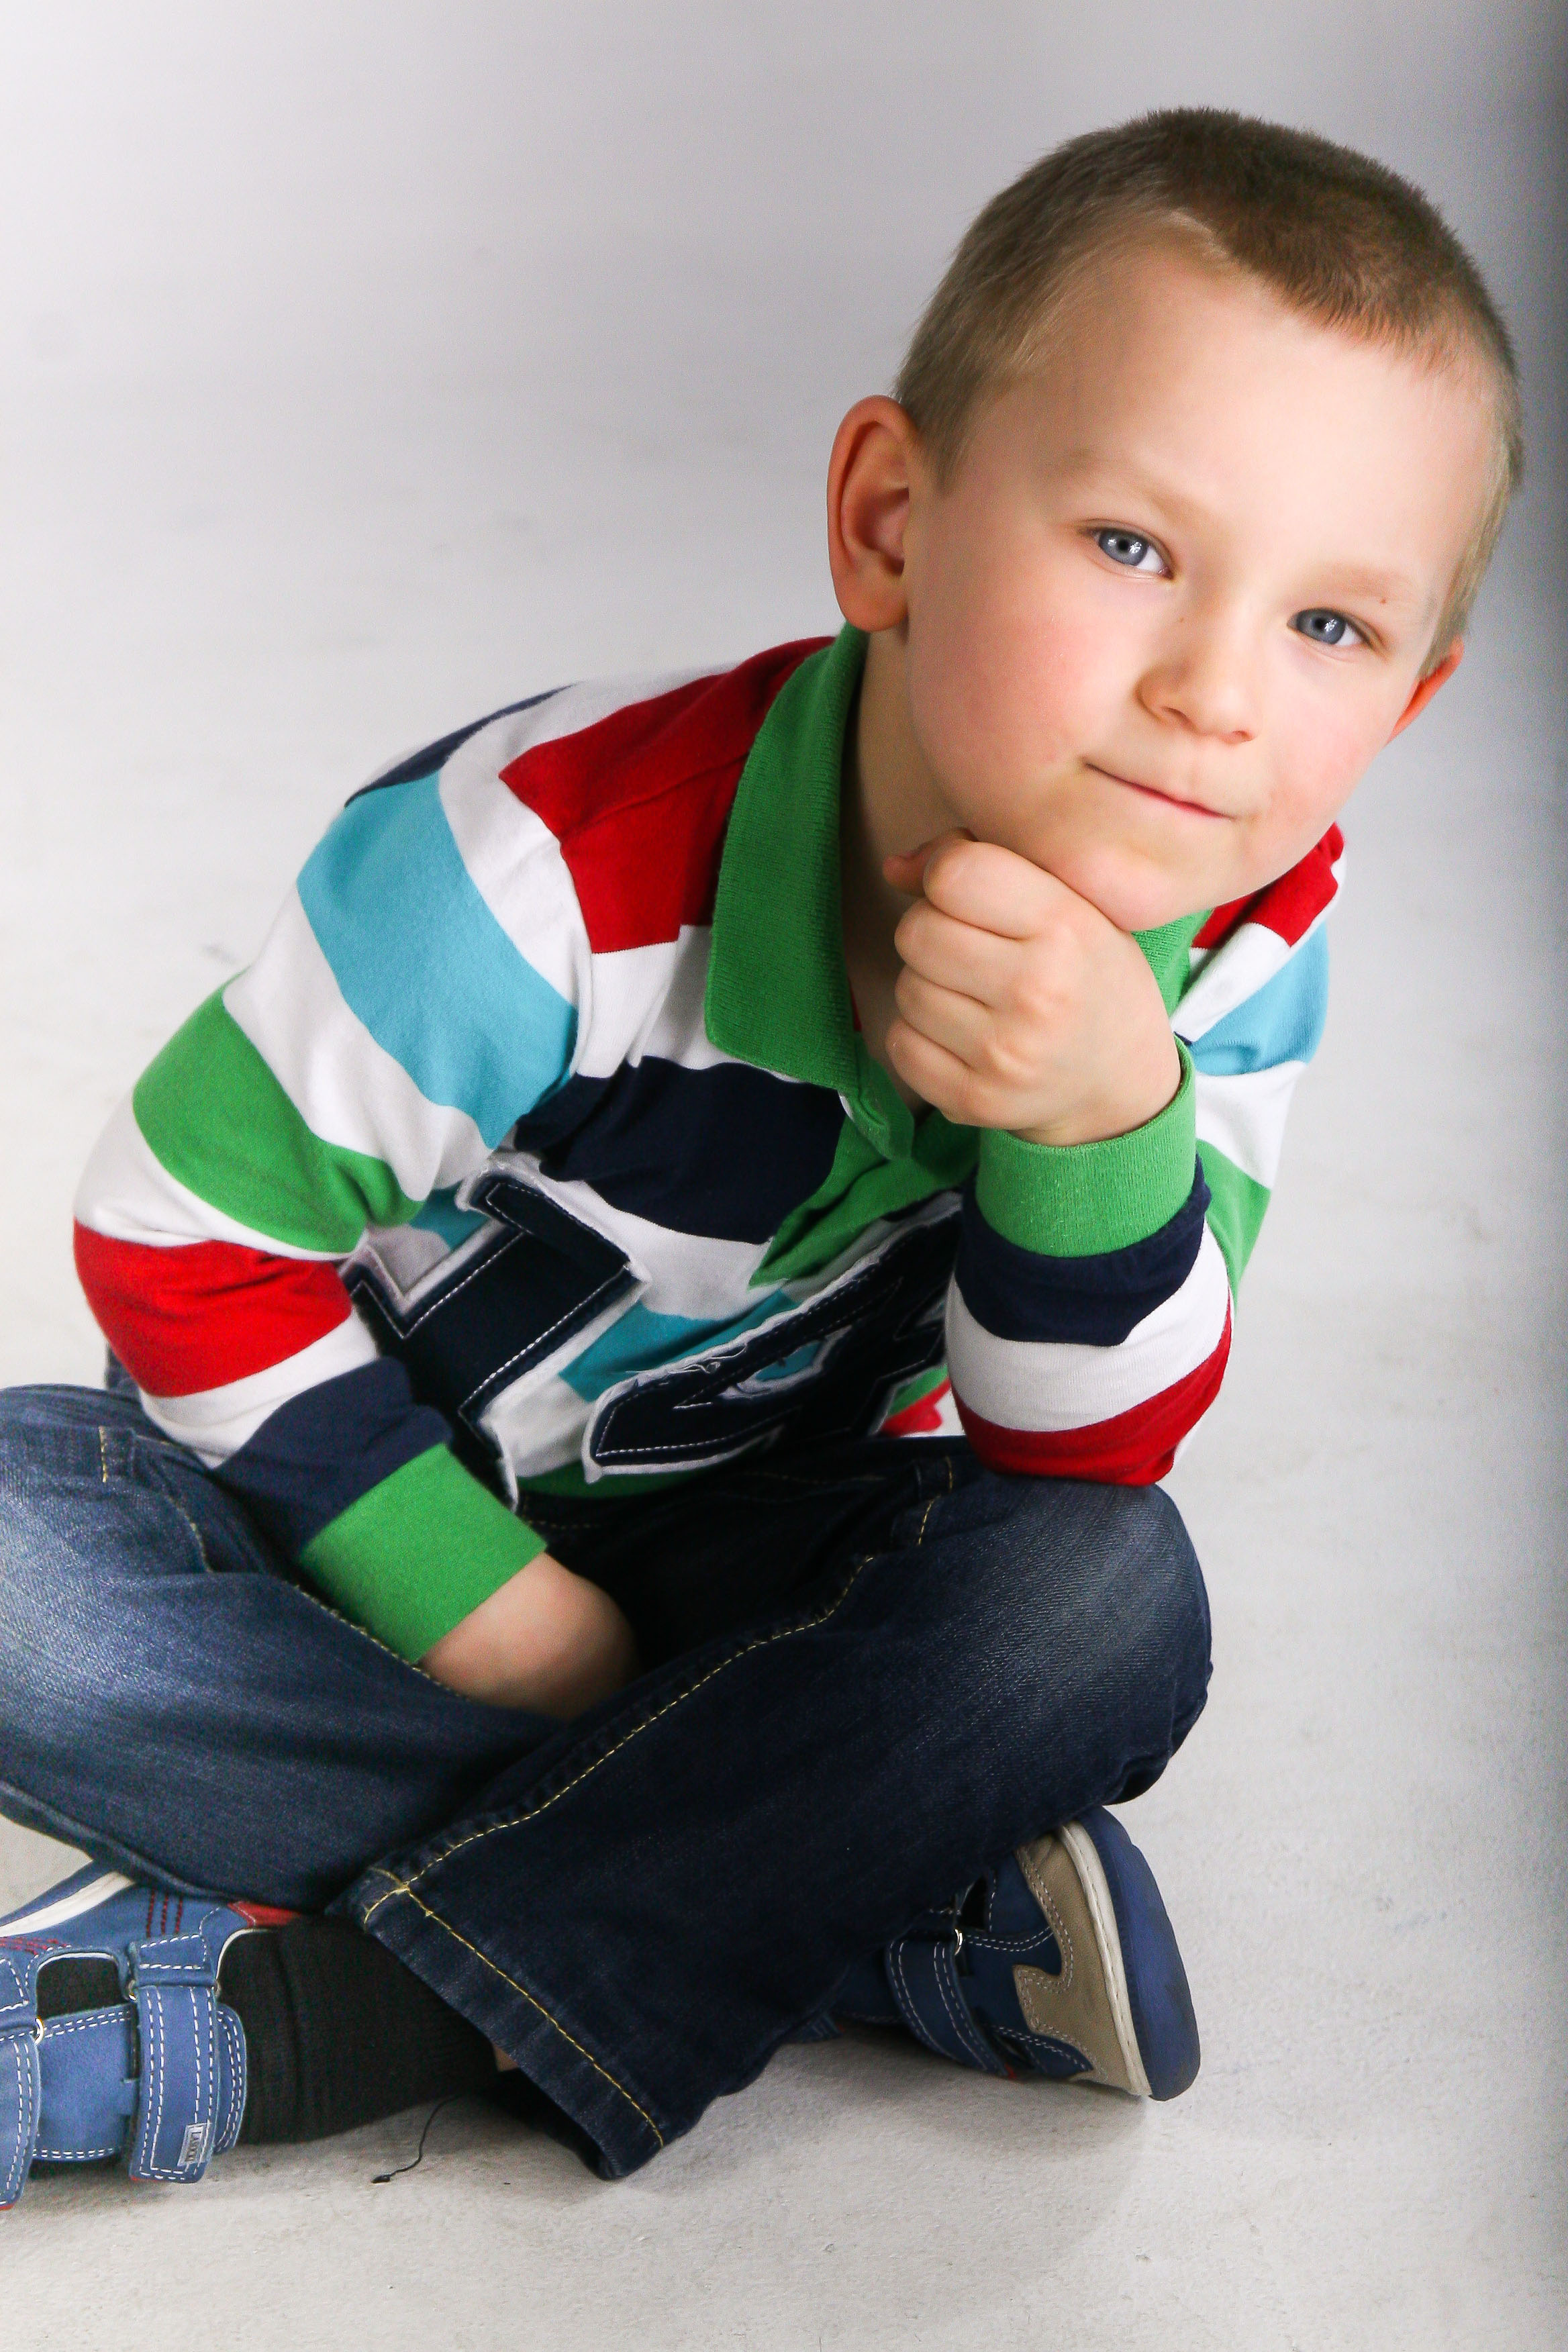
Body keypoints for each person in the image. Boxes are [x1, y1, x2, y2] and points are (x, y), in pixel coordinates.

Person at [0, 106, 1520, 2201]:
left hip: (769, 1565)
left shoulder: (1245, 940)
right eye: (1133, 548)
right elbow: (177, 1239)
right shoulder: (537, 873)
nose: (1213, 696)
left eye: (1330, 629)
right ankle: (850, 1905)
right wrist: (499, 1620)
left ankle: (330, 2023)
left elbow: (1081, 1448)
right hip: (342, 1521)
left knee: (1102, 1601)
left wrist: (1099, 1116)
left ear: (1413, 699)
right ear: (892, 523)